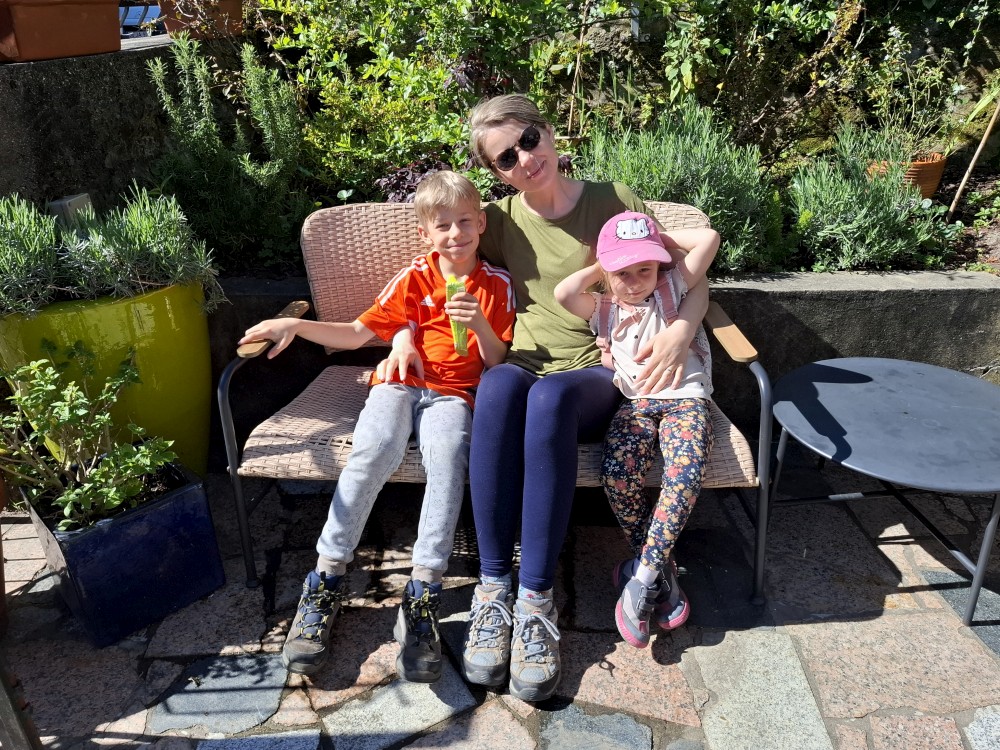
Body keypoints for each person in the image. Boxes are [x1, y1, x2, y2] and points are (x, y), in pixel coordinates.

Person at [391, 94, 712, 702]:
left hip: (597, 367)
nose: (525, 159)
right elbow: (435, 269)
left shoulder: (613, 201)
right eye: (505, 157)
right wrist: (403, 332)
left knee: (549, 400)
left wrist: (680, 330)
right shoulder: (496, 221)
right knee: (496, 387)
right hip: (520, 359)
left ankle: (537, 600)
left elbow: (685, 276)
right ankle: (493, 591)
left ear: (549, 131)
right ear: (495, 172)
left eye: (529, 139)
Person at [238, 171, 516, 683]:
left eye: (464, 222)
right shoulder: (415, 277)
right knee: (375, 447)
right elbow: (353, 333)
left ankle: (424, 592)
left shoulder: (497, 284)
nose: (455, 234)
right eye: (442, 226)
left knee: (449, 457)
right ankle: (325, 579)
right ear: (425, 233)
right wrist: (293, 325)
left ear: (480, 222)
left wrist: (477, 322)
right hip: (398, 383)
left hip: (455, 394)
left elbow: (497, 361)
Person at [554, 210, 719, 648]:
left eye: (643, 269)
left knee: (684, 474)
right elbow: (564, 292)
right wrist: (604, 264)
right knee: (617, 476)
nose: (634, 281)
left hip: (687, 400)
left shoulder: (672, 287)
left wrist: (654, 242)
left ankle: (642, 578)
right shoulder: (604, 309)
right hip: (637, 406)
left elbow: (709, 239)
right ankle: (660, 567)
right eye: (622, 273)